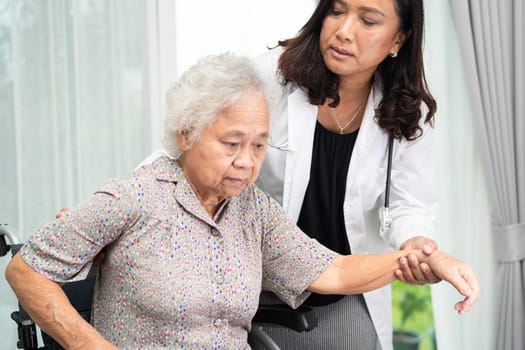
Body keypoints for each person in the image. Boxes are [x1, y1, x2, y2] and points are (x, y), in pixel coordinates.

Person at [4, 52, 479, 349]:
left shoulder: (252, 209)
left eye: (258, 145)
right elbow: (26, 269)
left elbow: (330, 271)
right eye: (231, 144)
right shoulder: (135, 196)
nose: (247, 162)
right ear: (186, 133)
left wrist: (416, 259)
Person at [250, 0, 444, 349]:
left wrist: (415, 241)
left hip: (341, 291)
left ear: (398, 39)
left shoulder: (406, 111)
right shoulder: (269, 80)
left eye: (368, 20)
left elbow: (408, 204)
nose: (343, 31)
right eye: (336, 11)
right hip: (253, 288)